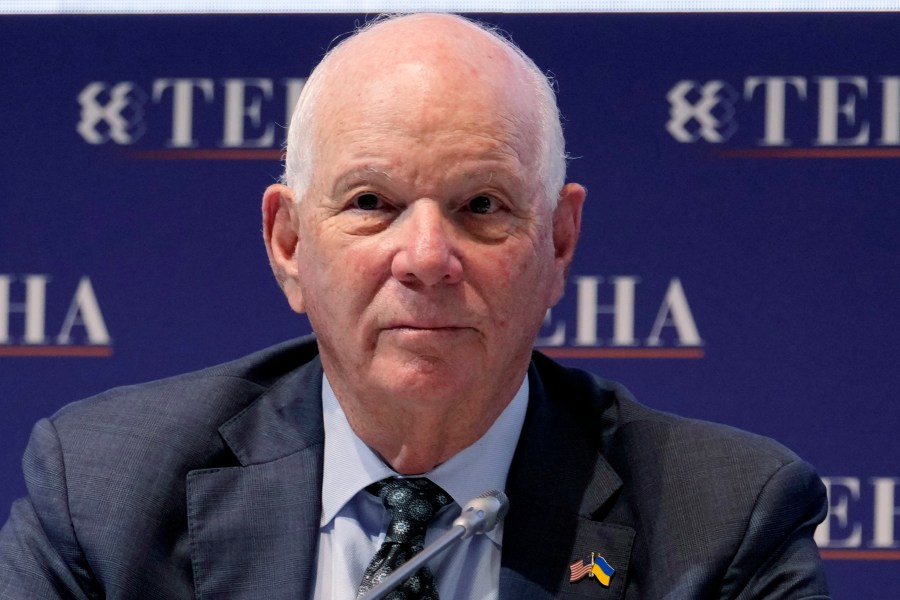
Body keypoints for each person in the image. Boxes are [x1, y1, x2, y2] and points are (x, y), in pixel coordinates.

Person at [0, 13, 829, 599]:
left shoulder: (722, 522)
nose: (427, 258)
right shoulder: (106, 496)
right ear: (289, 243)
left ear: (560, 243)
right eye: (370, 201)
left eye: (482, 206)